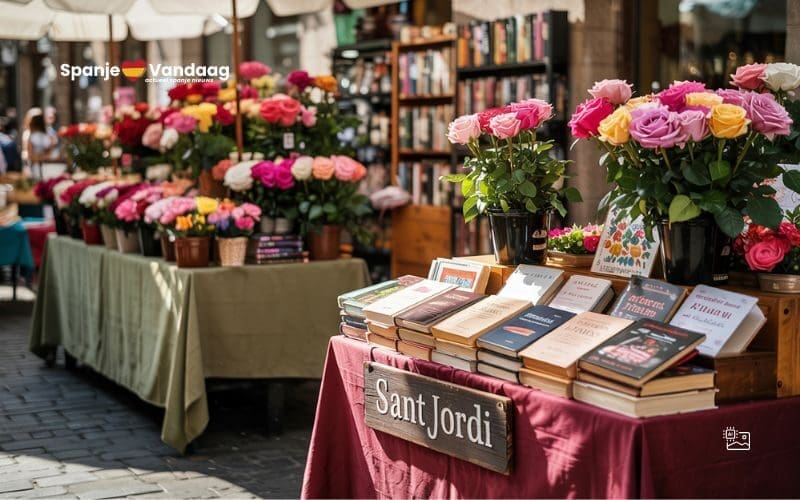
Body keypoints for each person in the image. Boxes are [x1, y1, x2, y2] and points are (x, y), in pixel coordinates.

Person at [25, 113, 55, 179]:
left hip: (39, 167)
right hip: (48, 166)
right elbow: (50, 153)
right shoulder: (48, 137)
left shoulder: (32, 137)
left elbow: (30, 155)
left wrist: (38, 158)